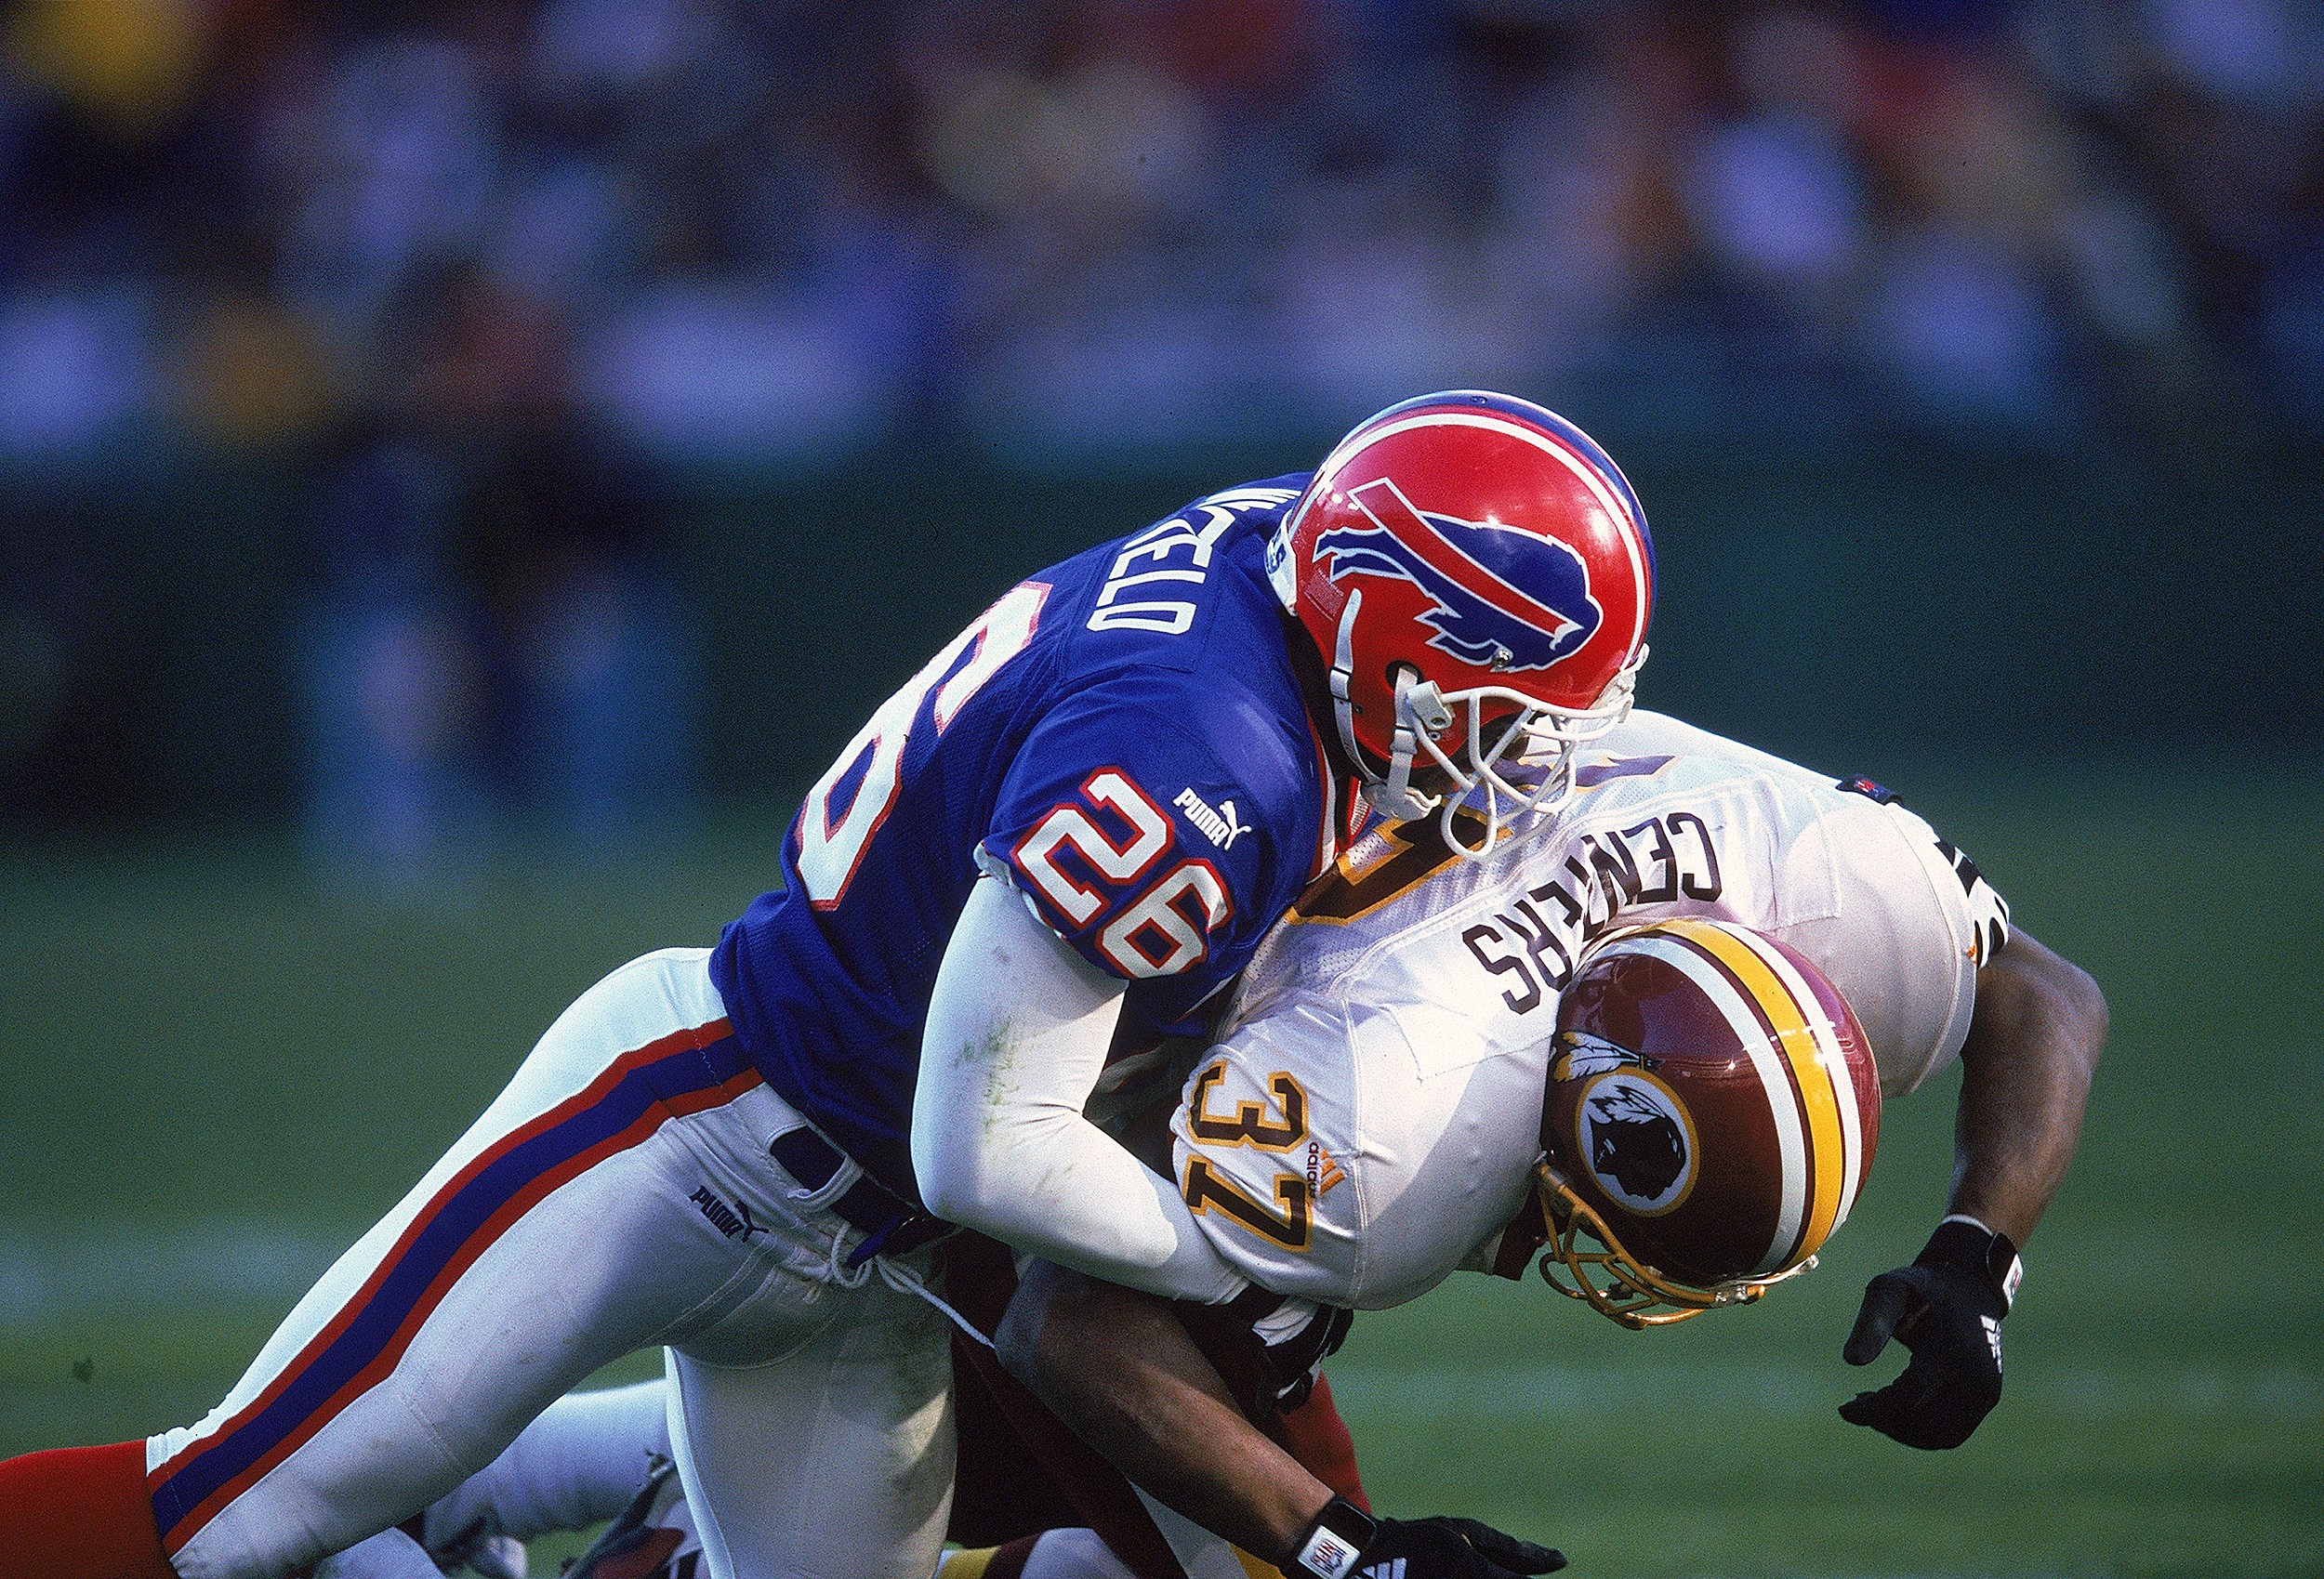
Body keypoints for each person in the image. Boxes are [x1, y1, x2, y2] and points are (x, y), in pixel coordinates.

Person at [0, 391, 1654, 1579]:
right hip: (688, 1127)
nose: (1522, 760)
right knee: (231, 1514)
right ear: (1390, 638)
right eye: (1507, 706)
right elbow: (983, 1146)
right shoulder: (1205, 762)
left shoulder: (1290, 564)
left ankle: (454, 1511)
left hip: (864, 1276)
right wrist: (1237, 1270)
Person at [311, 709, 2106, 1579]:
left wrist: (1981, 1251)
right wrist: (1349, 1547)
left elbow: (2043, 986)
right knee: (1226, 1529)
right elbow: (1072, 1328)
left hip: (1292, 994)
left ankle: (526, 1479)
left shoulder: (1839, 891)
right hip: (1081, 1074)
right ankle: (640, 1540)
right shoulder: (1392, 1128)